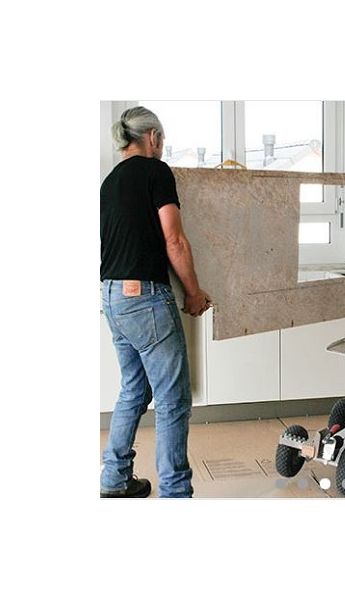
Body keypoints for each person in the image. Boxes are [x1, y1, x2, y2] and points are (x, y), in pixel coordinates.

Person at [100, 106, 212, 497]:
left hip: (112, 296)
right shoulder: (156, 172)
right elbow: (174, 240)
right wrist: (194, 292)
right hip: (145, 298)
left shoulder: (110, 180)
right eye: (161, 139)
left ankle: (114, 480)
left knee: (134, 390)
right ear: (153, 137)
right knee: (173, 400)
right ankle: (176, 494)